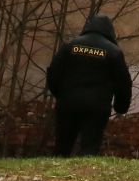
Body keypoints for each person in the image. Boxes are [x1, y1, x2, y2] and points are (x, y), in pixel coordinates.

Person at [45, 13, 131, 156]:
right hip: (97, 108)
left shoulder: (70, 46)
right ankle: (85, 173)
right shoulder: (113, 52)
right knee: (90, 145)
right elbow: (123, 82)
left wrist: (59, 94)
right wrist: (121, 107)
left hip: (68, 104)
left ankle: (57, 171)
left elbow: (53, 72)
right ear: (110, 31)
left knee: (63, 144)